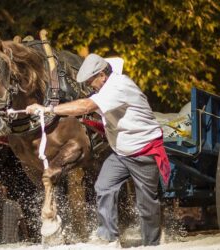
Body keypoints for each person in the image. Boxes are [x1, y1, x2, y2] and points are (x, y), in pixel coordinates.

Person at [25, 53, 170, 246]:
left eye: (91, 80)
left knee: (146, 202)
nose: (90, 85)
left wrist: (47, 109)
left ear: (102, 74)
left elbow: (86, 105)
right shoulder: (106, 88)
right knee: (103, 186)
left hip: (143, 151)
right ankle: (108, 236)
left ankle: (151, 244)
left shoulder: (119, 86)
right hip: (121, 153)